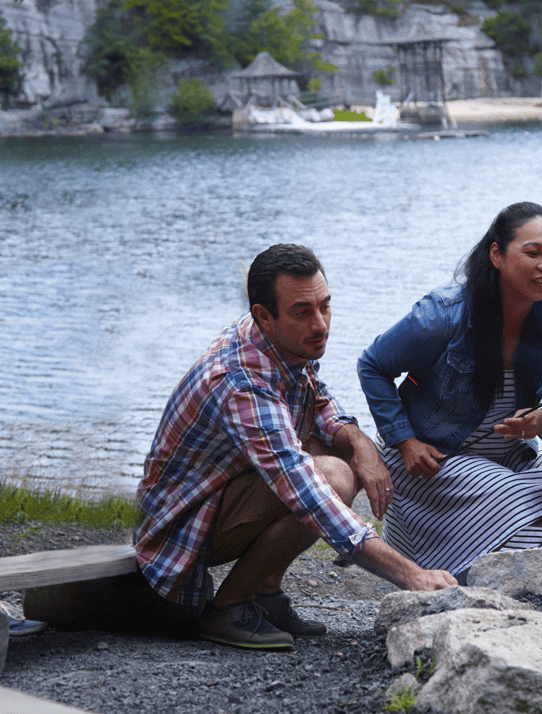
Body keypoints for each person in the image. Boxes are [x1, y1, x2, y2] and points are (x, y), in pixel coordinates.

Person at [135, 244, 455, 651]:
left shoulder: (277, 339)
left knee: (338, 452)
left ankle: (265, 596)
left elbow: (317, 400)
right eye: (303, 311)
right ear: (263, 315)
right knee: (332, 477)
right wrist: (410, 574)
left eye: (325, 306)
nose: (320, 324)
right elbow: (305, 491)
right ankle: (228, 608)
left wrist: (361, 442)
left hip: (224, 495)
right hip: (178, 533)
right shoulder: (242, 381)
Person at [357, 202, 542, 581]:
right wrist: (405, 441)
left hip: (510, 457)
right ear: (496, 254)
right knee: (510, 496)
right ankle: (453, 572)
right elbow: (372, 365)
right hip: (434, 458)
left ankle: (468, 567)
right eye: (533, 253)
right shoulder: (444, 313)